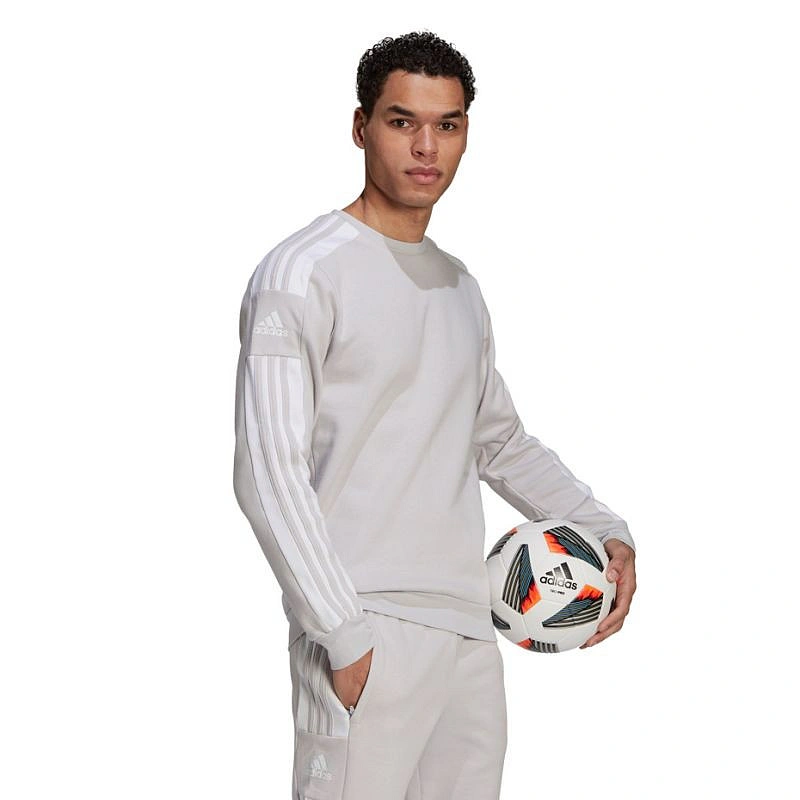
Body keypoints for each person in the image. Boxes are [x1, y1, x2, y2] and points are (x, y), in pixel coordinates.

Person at [232, 30, 637, 800]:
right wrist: (343, 635)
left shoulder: (459, 287)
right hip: (368, 622)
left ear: (465, 134)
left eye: (446, 125)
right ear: (361, 127)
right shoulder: (303, 272)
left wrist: (606, 529)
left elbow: (498, 442)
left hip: (470, 628)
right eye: (402, 121)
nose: (426, 147)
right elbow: (267, 468)